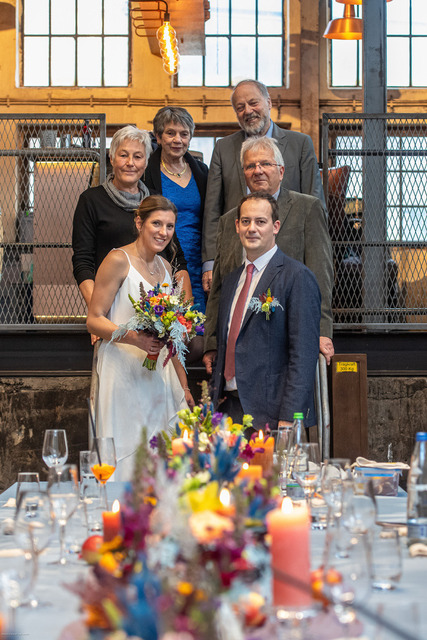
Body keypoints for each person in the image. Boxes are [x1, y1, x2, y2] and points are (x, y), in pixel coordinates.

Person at [203, 137, 334, 373]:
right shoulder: (229, 220)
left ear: (281, 171)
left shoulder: (307, 209)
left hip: (287, 335)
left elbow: (320, 276)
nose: (258, 171)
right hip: (237, 341)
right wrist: (211, 342)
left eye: (265, 164)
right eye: (250, 166)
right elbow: (219, 288)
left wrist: (322, 331)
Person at [86, 195, 194, 481]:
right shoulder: (117, 260)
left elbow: (172, 336)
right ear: (139, 223)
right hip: (121, 370)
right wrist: (135, 339)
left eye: (169, 226)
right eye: (156, 223)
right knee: (125, 448)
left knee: (160, 455)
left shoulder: (167, 268)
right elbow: (94, 319)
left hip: (157, 374)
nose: (163, 232)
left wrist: (183, 384)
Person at [202, 79, 325, 293]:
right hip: (237, 256)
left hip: (288, 254)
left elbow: (315, 201)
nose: (248, 111)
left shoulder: (300, 144)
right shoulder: (223, 148)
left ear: (268, 102)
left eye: (253, 103)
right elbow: (213, 209)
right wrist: (210, 261)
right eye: (240, 107)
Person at [211, 191, 321, 430]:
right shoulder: (231, 281)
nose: (252, 228)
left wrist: (289, 418)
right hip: (228, 407)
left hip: (272, 414)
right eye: (246, 221)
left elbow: (303, 355)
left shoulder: (297, 277)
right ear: (237, 226)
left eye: (260, 221)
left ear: (275, 227)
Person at [72, 125, 192, 338]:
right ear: (112, 158)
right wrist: (99, 316)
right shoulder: (91, 200)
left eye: (137, 156)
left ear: (145, 162)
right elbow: (83, 262)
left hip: (157, 314)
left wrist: (182, 317)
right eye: (123, 155)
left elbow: (177, 260)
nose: (130, 163)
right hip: (113, 311)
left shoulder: (156, 201)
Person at [144, 107, 208, 314]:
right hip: (161, 260)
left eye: (184, 134)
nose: (177, 140)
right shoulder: (146, 172)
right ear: (158, 136)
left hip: (199, 264)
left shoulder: (202, 172)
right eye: (170, 133)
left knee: (199, 325)